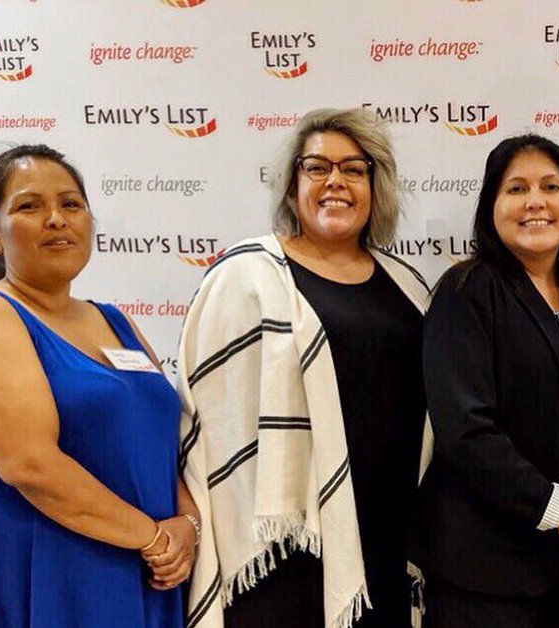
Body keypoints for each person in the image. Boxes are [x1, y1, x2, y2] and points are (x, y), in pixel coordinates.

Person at [0, 145, 197, 627]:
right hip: (30, 570)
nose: (56, 219)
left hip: (141, 566)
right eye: (29, 206)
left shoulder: (116, 322)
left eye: (71, 204)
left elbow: (158, 442)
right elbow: (30, 465)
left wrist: (186, 526)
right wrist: (151, 537)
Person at [178, 108, 431, 628]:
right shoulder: (245, 276)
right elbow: (208, 421)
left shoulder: (408, 285)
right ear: (293, 185)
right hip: (285, 545)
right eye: (317, 168)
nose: (335, 181)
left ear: (374, 185)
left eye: (353, 169)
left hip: (385, 535)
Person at [413, 134, 559, 628]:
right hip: (483, 567)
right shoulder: (467, 291)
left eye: (551, 186)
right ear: (491, 205)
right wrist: (557, 510)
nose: (535, 201)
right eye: (516, 189)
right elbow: (466, 430)